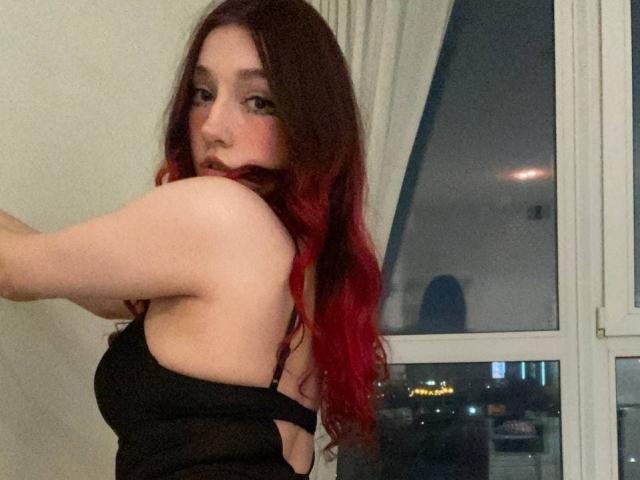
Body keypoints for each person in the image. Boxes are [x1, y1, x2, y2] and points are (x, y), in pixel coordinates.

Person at [0, 0, 388, 478]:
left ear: (308, 122)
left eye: (258, 101)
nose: (212, 126)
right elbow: (88, 286)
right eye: (203, 94)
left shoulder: (222, 216)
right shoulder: (296, 260)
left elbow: (14, 270)